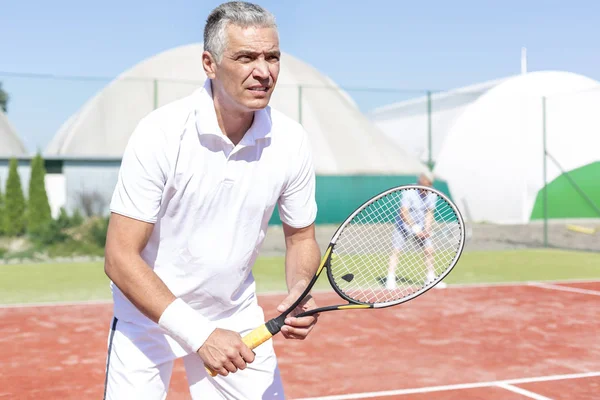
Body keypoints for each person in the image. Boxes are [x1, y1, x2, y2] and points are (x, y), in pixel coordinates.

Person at [102, 2, 322, 399]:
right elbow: (119, 257)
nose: (263, 71)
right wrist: (199, 334)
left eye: (272, 57)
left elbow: (301, 238)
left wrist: (300, 287)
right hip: (146, 318)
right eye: (246, 57)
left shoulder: (292, 141)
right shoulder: (160, 133)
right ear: (209, 63)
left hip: (234, 314)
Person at [385, 171, 447, 290]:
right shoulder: (409, 191)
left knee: (429, 250)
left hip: (421, 227)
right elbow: (404, 212)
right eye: (425, 185)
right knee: (396, 251)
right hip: (403, 226)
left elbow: (429, 212)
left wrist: (427, 229)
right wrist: (414, 228)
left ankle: (431, 278)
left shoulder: (432, 193)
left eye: (429, 185)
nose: (426, 189)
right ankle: (390, 279)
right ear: (420, 182)